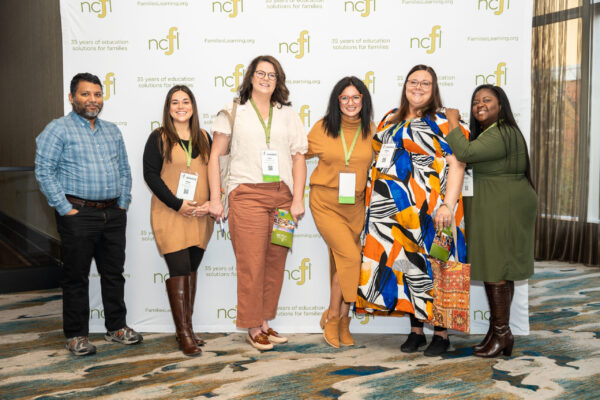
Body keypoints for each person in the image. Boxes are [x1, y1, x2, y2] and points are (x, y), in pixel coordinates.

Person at [355, 65, 468, 356]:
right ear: (405, 85)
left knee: (438, 266)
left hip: (433, 209)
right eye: (413, 81)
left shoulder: (444, 120)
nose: (418, 87)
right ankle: (416, 331)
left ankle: (441, 335)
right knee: (406, 266)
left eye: (425, 83)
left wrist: (448, 204)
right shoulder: (389, 117)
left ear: (434, 88)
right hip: (394, 208)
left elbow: (458, 163)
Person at [35, 73, 142, 356]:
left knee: (114, 274)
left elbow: (124, 170)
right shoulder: (58, 129)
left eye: (97, 94)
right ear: (72, 98)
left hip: (112, 214)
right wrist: (64, 208)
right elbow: (44, 171)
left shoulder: (112, 130)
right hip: (78, 214)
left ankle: (116, 327)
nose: (92, 100)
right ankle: (76, 335)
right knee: (76, 277)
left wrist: (123, 202)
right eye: (85, 94)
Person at [208, 55, 307, 351]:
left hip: (283, 197)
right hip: (246, 195)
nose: (266, 78)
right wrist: (216, 197)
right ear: (250, 77)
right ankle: (253, 326)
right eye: (261, 73)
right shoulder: (232, 110)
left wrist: (298, 198)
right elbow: (215, 157)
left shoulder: (287, 114)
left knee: (275, 262)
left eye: (272, 75)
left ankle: (265, 322)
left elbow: (299, 157)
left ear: (278, 81)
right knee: (252, 262)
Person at [445, 85, 537, 358]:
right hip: (496, 202)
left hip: (504, 205)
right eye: (475, 102)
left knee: (497, 266)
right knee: (499, 266)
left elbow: (464, 153)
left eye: (487, 100)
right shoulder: (492, 132)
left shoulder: (503, 131)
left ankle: (501, 333)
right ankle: (499, 332)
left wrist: (452, 119)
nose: (480, 105)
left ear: (501, 105)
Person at [143, 85, 214, 357]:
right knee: (179, 268)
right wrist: (177, 204)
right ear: (168, 107)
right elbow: (151, 175)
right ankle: (183, 333)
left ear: (193, 107)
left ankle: (187, 327)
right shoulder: (159, 137)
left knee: (191, 268)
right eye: (175, 102)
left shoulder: (205, 137)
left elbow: (213, 174)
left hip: (199, 217)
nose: (180, 106)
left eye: (185, 101)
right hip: (170, 214)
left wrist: (210, 203)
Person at [306, 77, 374, 348]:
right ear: (337, 101)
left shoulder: (371, 130)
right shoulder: (322, 128)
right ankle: (333, 316)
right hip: (325, 203)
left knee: (341, 264)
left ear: (363, 100)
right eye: (344, 98)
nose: (350, 103)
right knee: (351, 257)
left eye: (355, 97)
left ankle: (344, 320)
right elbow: (297, 153)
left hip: (355, 207)